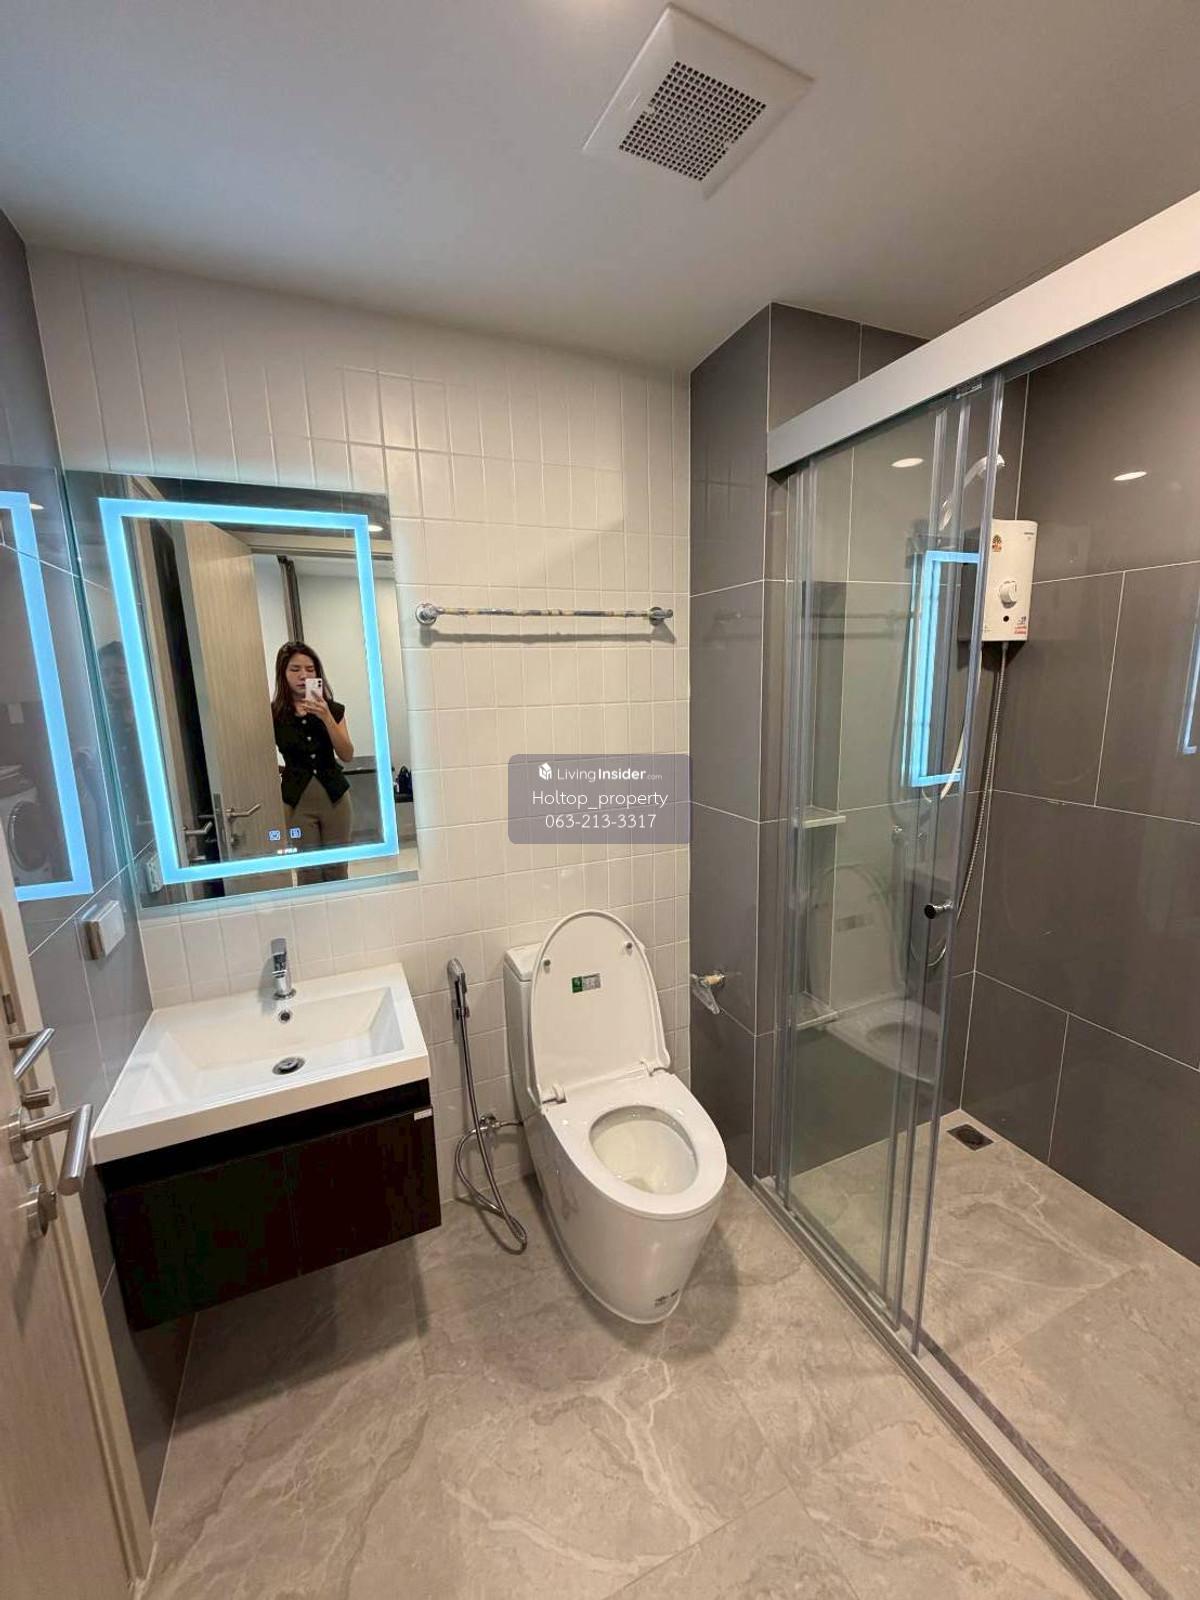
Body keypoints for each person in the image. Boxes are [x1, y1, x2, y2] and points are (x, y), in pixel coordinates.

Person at [270, 641, 354, 884]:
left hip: (335, 799)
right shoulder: (274, 714)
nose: (303, 675)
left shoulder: (333, 710)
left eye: (309, 669)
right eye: (295, 669)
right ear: (283, 673)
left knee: (337, 870)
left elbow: (347, 753)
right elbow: (257, 756)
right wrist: (282, 770)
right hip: (296, 802)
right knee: (308, 872)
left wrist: (326, 716)